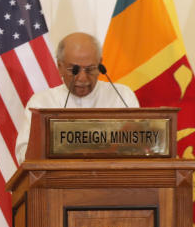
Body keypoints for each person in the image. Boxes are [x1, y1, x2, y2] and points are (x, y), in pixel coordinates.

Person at [14, 32, 138, 163]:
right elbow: (24, 155)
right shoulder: (42, 103)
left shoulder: (122, 96)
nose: (82, 78)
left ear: (100, 64)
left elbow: (138, 145)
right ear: (60, 67)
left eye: (90, 69)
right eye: (74, 70)